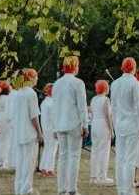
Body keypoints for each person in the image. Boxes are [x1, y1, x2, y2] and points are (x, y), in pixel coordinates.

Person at [112, 57, 139, 195]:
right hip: (133, 125)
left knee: (120, 158)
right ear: (133, 68)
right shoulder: (134, 83)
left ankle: (120, 189)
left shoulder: (115, 84)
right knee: (130, 159)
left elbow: (113, 107)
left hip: (120, 125)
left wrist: (115, 125)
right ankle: (128, 190)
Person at [54, 55, 88, 195]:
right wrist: (85, 124)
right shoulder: (78, 83)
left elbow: (55, 107)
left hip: (60, 123)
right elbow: (82, 106)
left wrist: (54, 126)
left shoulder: (57, 84)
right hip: (74, 123)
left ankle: (61, 189)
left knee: (63, 157)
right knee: (74, 156)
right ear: (75, 67)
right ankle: (72, 189)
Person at [13, 69, 43, 195]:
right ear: (31, 78)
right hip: (29, 132)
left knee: (20, 162)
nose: (37, 79)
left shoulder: (18, 93)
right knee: (29, 162)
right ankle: (26, 189)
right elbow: (34, 116)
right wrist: (39, 132)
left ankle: (19, 188)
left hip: (19, 132)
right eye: (36, 77)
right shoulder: (31, 93)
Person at [90, 80, 115, 185]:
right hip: (103, 125)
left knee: (95, 150)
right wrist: (111, 129)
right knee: (104, 151)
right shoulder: (106, 100)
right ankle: (102, 176)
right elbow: (107, 116)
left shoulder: (93, 99)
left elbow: (92, 111)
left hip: (94, 124)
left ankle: (94, 176)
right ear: (105, 88)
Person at [0, 81, 14, 170]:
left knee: (0, 140)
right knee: (5, 140)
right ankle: (3, 160)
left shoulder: (0, 97)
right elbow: (9, 110)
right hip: (5, 119)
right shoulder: (6, 98)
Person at [39, 83, 57, 178]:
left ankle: (43, 167)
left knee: (47, 148)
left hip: (45, 128)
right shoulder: (52, 102)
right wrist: (56, 130)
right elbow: (54, 118)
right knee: (52, 149)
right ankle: (49, 169)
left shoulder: (44, 102)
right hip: (51, 128)